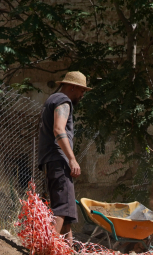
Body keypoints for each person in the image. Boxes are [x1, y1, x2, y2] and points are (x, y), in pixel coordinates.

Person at [37, 71, 91, 243]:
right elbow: (59, 130)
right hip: (59, 160)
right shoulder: (63, 101)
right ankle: (49, 250)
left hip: (49, 159)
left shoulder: (51, 99)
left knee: (66, 208)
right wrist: (71, 159)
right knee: (62, 208)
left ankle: (67, 251)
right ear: (72, 87)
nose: (83, 95)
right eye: (82, 90)